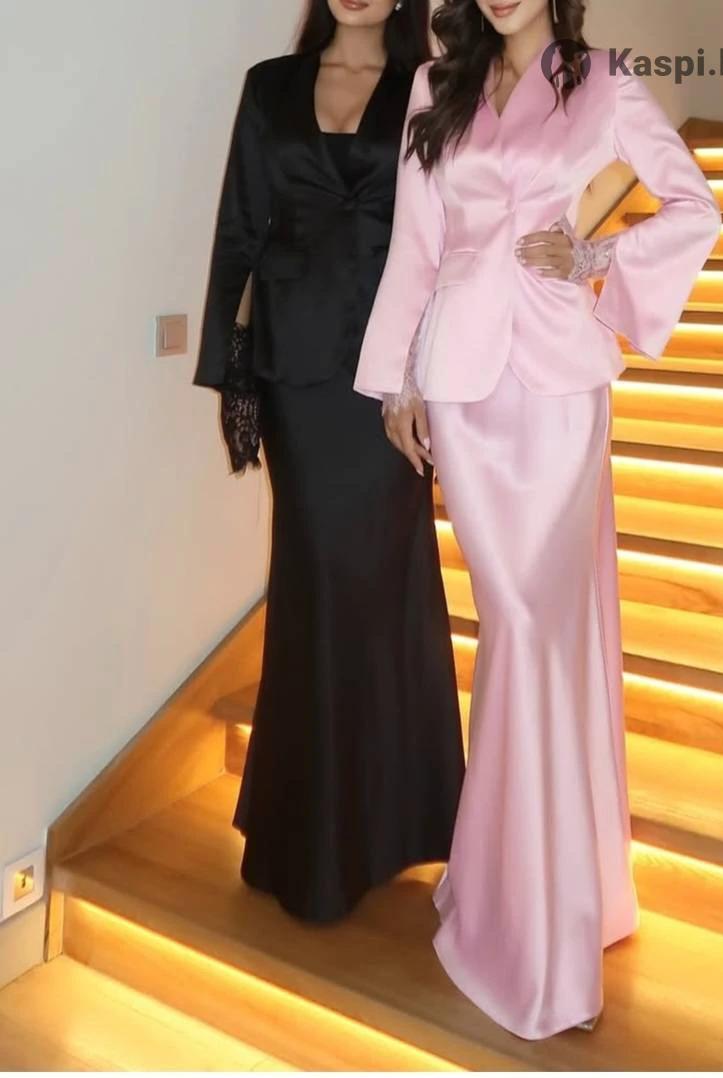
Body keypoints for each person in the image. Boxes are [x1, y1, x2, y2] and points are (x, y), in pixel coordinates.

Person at [354, 0, 721, 1038]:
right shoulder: (435, 88)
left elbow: (689, 205)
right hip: (463, 392)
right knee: (515, 631)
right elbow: (417, 246)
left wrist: (593, 252)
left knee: (532, 635)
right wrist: (396, 382)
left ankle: (546, 923)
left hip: (560, 388)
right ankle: (523, 890)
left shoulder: (603, 81)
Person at [193, 0, 465, 924]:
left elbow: (449, 239)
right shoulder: (268, 87)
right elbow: (239, 228)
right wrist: (234, 376)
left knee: (388, 592)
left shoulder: (432, 89)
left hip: (390, 384)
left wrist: (435, 373)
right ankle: (306, 842)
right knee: (312, 588)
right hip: (298, 378)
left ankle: (396, 825)